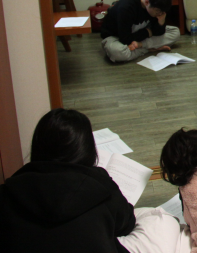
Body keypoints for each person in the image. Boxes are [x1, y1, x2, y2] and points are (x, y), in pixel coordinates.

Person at [0, 108, 180, 253]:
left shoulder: (8, 192)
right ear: (86, 150)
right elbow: (127, 223)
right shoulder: (99, 185)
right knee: (161, 219)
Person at [100, 0, 181, 63]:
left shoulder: (155, 5)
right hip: (117, 37)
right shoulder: (126, 8)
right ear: (147, 2)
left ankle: (141, 46)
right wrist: (148, 32)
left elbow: (158, 32)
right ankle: (150, 48)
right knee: (119, 52)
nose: (160, 14)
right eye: (158, 11)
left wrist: (161, 22)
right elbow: (125, 39)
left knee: (175, 32)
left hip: (138, 37)